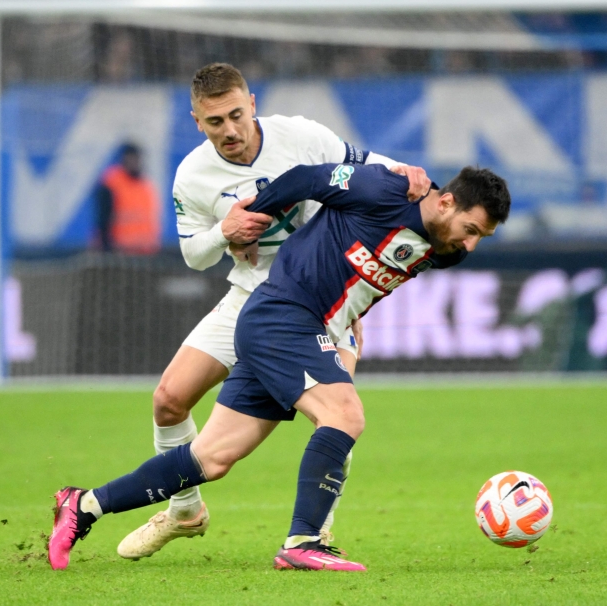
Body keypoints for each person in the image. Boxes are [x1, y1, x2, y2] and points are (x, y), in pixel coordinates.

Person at [48, 162, 511, 572]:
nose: (469, 246)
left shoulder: (441, 249)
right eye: (470, 229)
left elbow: (373, 264)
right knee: (344, 414)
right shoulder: (383, 190)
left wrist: (354, 313)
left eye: (481, 239)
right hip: (284, 315)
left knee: (212, 458)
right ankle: (305, 541)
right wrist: (256, 218)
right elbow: (306, 179)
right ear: (446, 201)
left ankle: (84, 505)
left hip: (294, 327)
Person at [115, 62, 430, 560]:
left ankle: (316, 536)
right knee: (169, 399)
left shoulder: (302, 137)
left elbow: (372, 166)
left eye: (236, 115)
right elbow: (193, 253)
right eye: (215, 122)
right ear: (197, 121)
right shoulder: (193, 175)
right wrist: (224, 233)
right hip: (249, 297)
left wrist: (406, 170)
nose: (230, 130)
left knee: (337, 415)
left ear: (253, 104)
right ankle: (184, 512)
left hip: (324, 300)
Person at [95, 142, 161, 254]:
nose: (134, 162)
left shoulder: (146, 186)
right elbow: (103, 220)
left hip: (145, 252)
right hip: (118, 252)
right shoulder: (112, 183)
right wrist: (107, 249)